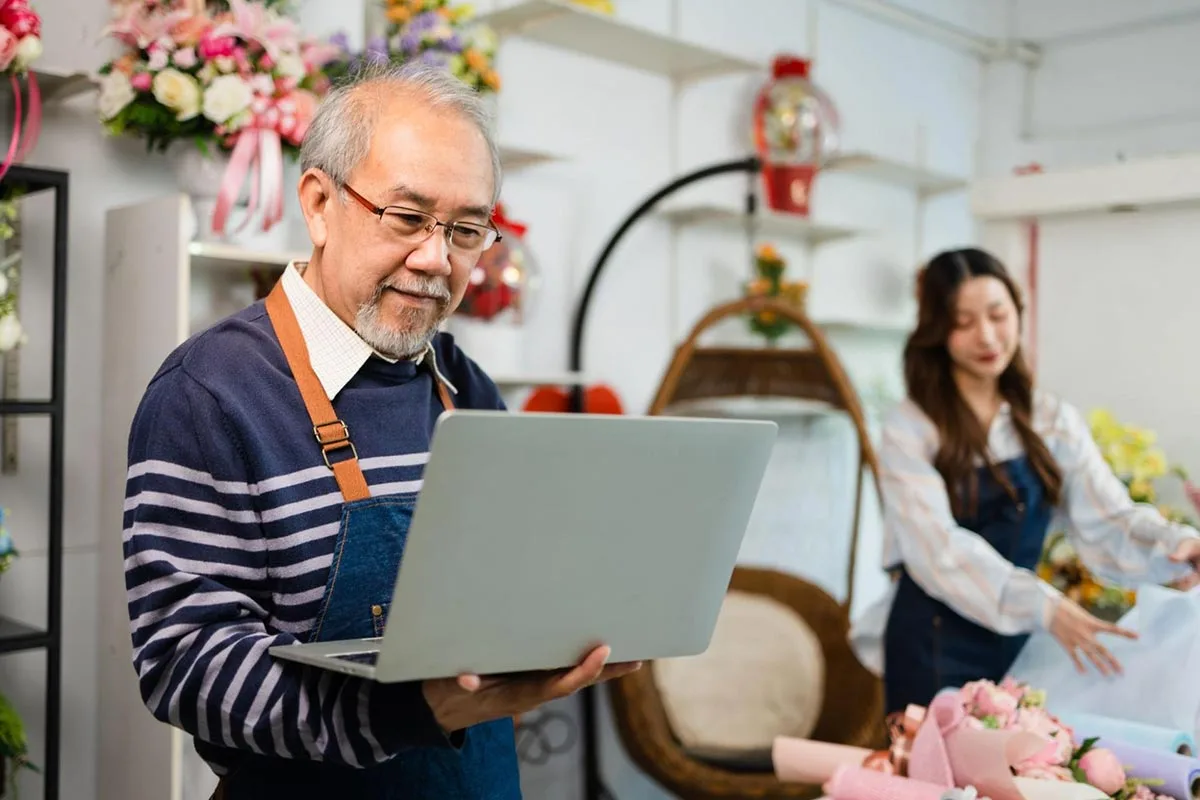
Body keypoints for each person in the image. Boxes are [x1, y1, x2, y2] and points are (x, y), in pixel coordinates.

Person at [121, 62, 640, 799]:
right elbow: (182, 663)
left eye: (466, 230)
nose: (436, 260)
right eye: (407, 218)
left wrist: (569, 617)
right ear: (320, 203)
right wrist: (406, 710)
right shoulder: (208, 394)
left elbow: (507, 585)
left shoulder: (462, 384)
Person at [848, 247, 1200, 715]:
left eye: (998, 314)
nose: (987, 335)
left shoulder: (1049, 419)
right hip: (933, 644)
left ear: (1018, 311)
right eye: (963, 321)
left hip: (1018, 642)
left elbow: (1107, 518)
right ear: (936, 330)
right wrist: (1046, 607)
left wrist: (1176, 546)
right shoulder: (910, 427)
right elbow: (938, 551)